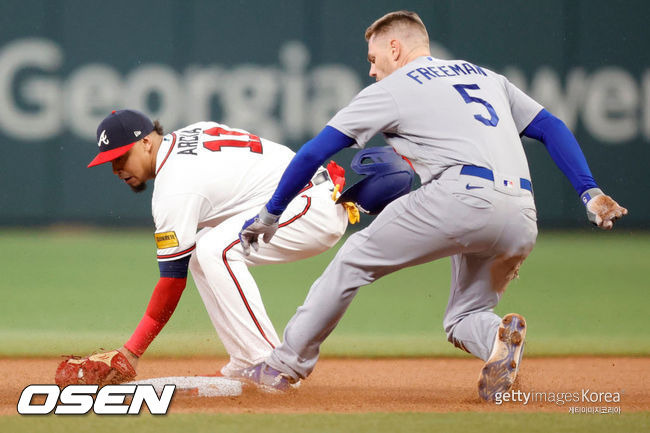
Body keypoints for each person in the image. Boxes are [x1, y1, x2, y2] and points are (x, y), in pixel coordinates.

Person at [237, 10, 628, 400]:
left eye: (373, 59)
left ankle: (281, 367)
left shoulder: (392, 89)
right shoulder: (484, 76)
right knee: (464, 317)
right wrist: (589, 191)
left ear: (395, 47)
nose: (372, 71)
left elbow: (312, 153)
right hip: (522, 212)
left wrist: (272, 212)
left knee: (354, 257)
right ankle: (497, 337)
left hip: (459, 196)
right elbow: (551, 127)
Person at [85, 109, 349, 379]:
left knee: (216, 251)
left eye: (121, 157)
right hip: (305, 196)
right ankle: (246, 359)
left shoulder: (174, 188)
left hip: (311, 205)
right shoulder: (190, 133)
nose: (116, 169)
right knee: (202, 252)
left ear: (146, 143)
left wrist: (132, 350)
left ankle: (270, 363)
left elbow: (172, 281)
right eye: (110, 161)